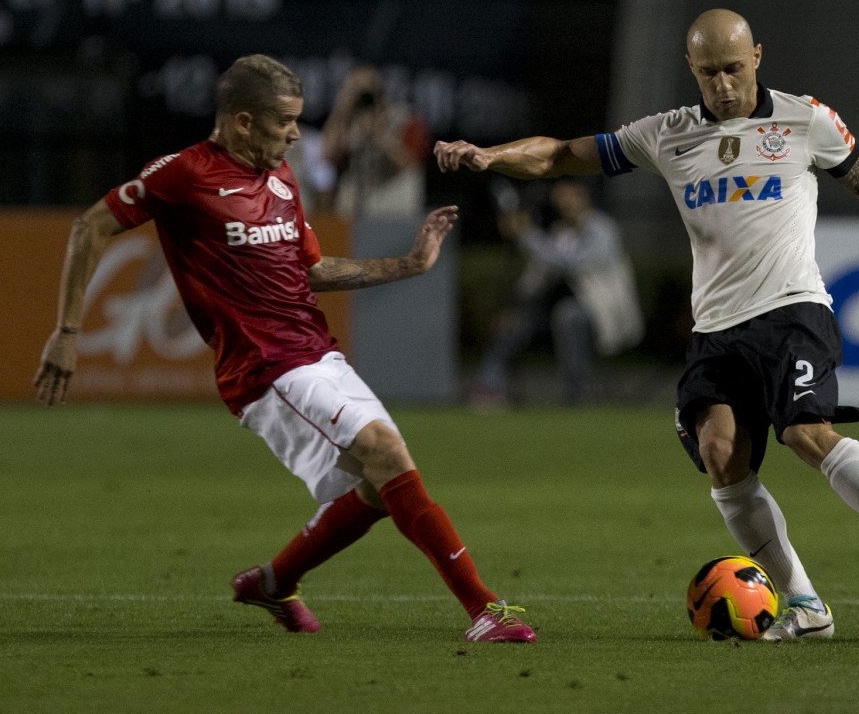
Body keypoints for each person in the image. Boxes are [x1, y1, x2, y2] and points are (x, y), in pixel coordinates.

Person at [435, 9, 859, 641]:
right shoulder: (665, 134)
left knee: (805, 433)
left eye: (735, 69)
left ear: (758, 58)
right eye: (710, 72)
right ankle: (805, 605)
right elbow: (559, 156)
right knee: (721, 457)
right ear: (691, 70)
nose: (723, 85)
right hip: (716, 330)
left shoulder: (806, 120)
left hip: (792, 309)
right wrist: (488, 156)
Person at [33, 54, 535, 643]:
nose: (297, 133)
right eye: (285, 121)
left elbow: (312, 271)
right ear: (242, 122)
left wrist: (410, 263)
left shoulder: (282, 178)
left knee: (378, 486)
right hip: (263, 368)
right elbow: (89, 226)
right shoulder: (185, 174)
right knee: (386, 453)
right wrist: (67, 333)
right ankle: (484, 609)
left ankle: (273, 582)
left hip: (317, 353)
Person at [471, 177, 644, 407]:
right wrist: (514, 306)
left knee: (568, 316)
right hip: (555, 309)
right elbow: (538, 275)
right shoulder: (559, 232)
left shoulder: (602, 229)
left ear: (583, 196)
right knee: (514, 321)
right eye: (560, 199)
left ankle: (574, 393)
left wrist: (526, 234)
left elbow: (569, 263)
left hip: (601, 312)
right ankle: (490, 386)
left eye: (568, 197)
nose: (564, 204)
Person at [320, 64, 431, 220]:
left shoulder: (405, 118)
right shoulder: (348, 122)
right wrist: (342, 109)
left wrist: (377, 134)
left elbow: (410, 164)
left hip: (394, 203)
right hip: (357, 208)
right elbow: (325, 156)